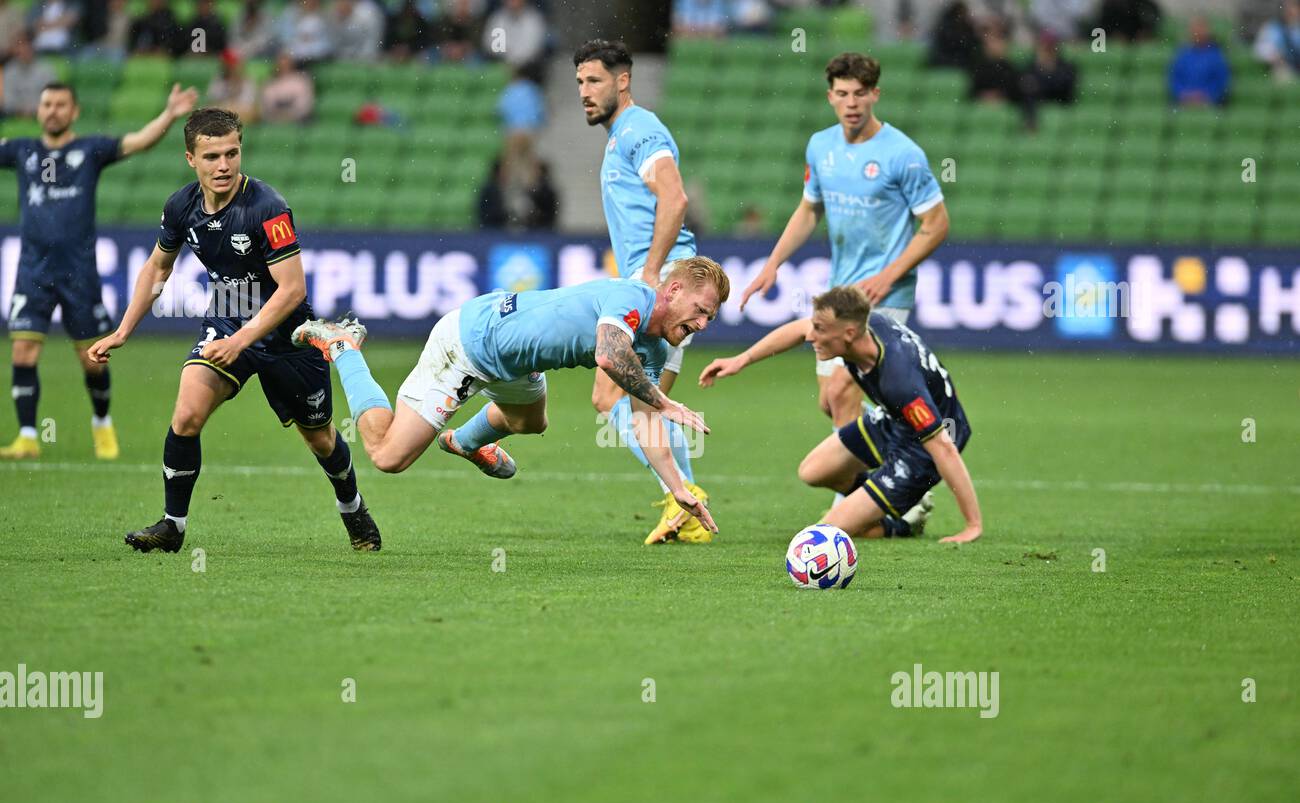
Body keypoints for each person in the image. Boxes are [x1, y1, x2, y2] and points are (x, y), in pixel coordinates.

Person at [87, 108, 381, 554]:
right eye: (211, 157)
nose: (223, 166)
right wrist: (124, 329)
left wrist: (243, 340)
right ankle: (173, 525)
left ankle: (352, 506)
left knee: (319, 437)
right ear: (191, 158)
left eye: (231, 153)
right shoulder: (181, 206)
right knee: (186, 415)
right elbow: (157, 268)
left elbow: (291, 289)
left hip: (289, 335)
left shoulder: (267, 208)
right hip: (225, 318)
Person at [289, 259, 729, 538]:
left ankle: (464, 441)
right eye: (701, 309)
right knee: (387, 456)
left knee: (530, 422)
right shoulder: (632, 298)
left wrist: (679, 489)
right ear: (672, 291)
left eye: (711, 317)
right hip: (469, 345)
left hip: (517, 363)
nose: (704, 323)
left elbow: (644, 420)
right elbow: (610, 355)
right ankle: (343, 345)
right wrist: (665, 401)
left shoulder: (656, 346)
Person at [738, 53, 949, 440]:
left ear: (875, 95)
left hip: (884, 292)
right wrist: (773, 264)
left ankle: (856, 497)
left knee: (841, 390)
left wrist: (890, 275)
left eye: (860, 93)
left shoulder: (903, 154)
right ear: (830, 97)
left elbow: (937, 225)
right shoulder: (820, 147)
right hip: (840, 291)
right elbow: (808, 210)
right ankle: (908, 463)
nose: (852, 103)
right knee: (830, 400)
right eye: (843, 94)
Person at [0, 81, 199, 462]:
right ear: (38, 111)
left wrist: (170, 115)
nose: (53, 110)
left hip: (79, 275)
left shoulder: (89, 150)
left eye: (61, 104)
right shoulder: (22, 151)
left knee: (91, 360)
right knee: (23, 352)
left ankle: (102, 421)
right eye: (47, 104)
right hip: (32, 272)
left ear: (74, 112)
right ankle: (27, 436)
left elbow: (139, 141)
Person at [700, 285, 982, 544]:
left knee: (827, 531)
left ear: (848, 334)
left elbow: (944, 446)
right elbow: (798, 330)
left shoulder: (899, 381)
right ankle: (894, 502)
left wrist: (972, 525)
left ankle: (900, 523)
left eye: (820, 329)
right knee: (813, 471)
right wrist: (741, 360)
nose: (811, 336)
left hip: (924, 446)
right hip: (894, 421)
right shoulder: (868, 328)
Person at [574, 39, 710, 544]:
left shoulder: (639, 129)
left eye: (595, 81)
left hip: (668, 282)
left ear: (623, 81)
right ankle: (683, 503)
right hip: (674, 280)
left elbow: (675, 197)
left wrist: (650, 272)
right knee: (645, 403)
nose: (585, 93)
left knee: (615, 394)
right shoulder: (619, 137)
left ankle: (685, 499)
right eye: (581, 83)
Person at [1169, 15, 1230, 107]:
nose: (1198, 32)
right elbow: (1174, 78)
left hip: (1209, 104)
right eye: (1195, 29)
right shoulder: (1181, 55)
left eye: (1201, 29)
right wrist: (1183, 94)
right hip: (1183, 103)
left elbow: (1221, 82)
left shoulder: (1217, 56)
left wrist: (1206, 95)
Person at [2, 33, 56, 118]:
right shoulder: (8, 71)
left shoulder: (46, 69)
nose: (24, 50)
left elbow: (53, 95)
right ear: (15, 50)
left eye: (27, 47)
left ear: (33, 48)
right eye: (20, 47)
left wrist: (34, 110)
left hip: (42, 115)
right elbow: (7, 100)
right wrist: (20, 110)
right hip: (14, 116)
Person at [259, 52, 315, 125]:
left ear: (292, 65)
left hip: (298, 120)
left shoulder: (301, 81)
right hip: (275, 120)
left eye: (286, 64)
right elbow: (267, 105)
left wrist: (290, 113)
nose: (284, 67)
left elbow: (305, 104)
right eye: (281, 64)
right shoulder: (270, 83)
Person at [1254, 0, 1300, 82]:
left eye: (1293, 6)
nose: (1290, 10)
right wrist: (1273, 55)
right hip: (1284, 67)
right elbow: (1260, 49)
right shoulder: (1273, 28)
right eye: (1286, 7)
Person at [208, 48, 259, 121]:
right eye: (227, 64)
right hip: (222, 119)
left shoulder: (247, 82)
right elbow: (211, 105)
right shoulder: (219, 81)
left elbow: (252, 111)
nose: (230, 67)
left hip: (242, 120)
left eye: (232, 64)